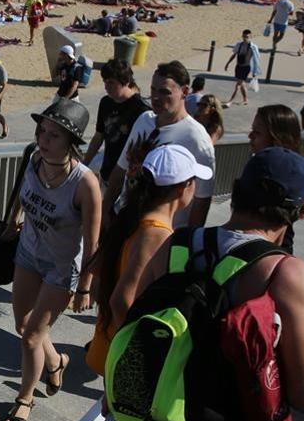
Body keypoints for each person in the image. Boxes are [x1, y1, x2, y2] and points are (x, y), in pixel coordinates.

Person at [132, 147, 304, 421]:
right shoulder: (286, 276)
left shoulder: (178, 244)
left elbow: (133, 321)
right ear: (301, 210)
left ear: (237, 188)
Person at [0, 99, 100, 421]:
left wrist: (85, 285)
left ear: (71, 142)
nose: (44, 139)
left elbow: (92, 241)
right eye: (42, 131)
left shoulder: (85, 183)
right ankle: (55, 361)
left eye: (54, 135)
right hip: (28, 253)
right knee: (23, 326)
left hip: (60, 268)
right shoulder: (33, 158)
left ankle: (24, 399)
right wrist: (13, 219)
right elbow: (21, 193)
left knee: (30, 337)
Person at [84, 144, 211, 376]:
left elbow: (99, 270)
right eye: (194, 180)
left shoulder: (134, 217)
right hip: (123, 356)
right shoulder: (157, 234)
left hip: (109, 343)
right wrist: (139, 358)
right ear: (183, 188)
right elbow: (121, 300)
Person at [103, 61, 215, 231]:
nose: (156, 98)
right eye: (153, 90)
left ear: (184, 92)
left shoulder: (197, 138)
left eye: (164, 92)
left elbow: (202, 199)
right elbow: (120, 170)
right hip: (124, 221)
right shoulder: (144, 120)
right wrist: (104, 211)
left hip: (163, 233)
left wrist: (187, 243)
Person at [83, 59, 150, 180]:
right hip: (106, 172)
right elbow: (99, 136)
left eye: (111, 82)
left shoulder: (142, 110)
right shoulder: (105, 102)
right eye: (105, 82)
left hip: (128, 179)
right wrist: (84, 165)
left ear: (126, 81)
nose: (106, 86)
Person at [223, 29, 260, 107]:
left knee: (238, 85)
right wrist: (228, 63)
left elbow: (256, 60)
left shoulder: (253, 47)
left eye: (247, 37)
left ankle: (230, 101)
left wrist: (255, 72)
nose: (245, 38)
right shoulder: (239, 45)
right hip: (238, 66)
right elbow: (234, 55)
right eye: (244, 36)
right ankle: (245, 99)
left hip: (246, 68)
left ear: (250, 37)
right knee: (242, 83)